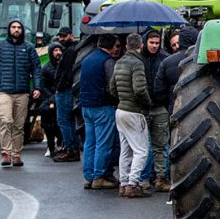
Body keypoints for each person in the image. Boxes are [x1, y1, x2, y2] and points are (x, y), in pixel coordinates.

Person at [0, 19, 43, 167]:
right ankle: (6, 153)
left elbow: (36, 69)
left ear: (22, 30)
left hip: (22, 92)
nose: (16, 30)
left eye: (19, 27)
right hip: (4, 91)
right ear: (9, 30)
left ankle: (16, 154)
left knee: (19, 125)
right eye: (13, 27)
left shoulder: (29, 48)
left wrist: (37, 87)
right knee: (5, 121)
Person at [110, 34, 154, 198]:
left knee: (126, 150)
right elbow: (140, 89)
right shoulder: (137, 63)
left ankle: (123, 183)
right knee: (141, 151)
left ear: (126, 45)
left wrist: (122, 99)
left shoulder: (119, 62)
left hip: (120, 111)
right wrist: (147, 104)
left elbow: (112, 87)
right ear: (141, 45)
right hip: (134, 112)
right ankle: (132, 184)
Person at [81, 34, 121, 189]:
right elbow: (112, 86)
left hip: (86, 106)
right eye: (116, 46)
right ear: (110, 46)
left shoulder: (87, 59)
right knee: (103, 143)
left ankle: (88, 177)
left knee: (89, 143)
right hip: (103, 106)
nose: (117, 49)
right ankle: (99, 176)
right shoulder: (108, 61)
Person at [138, 30, 170, 191]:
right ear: (145, 42)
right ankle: (143, 178)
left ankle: (161, 177)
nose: (154, 46)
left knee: (160, 145)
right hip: (142, 109)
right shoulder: (138, 60)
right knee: (143, 146)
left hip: (159, 108)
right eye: (152, 43)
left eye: (157, 43)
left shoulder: (164, 59)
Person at [154, 26, 199, 115]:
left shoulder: (166, 62)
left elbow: (158, 91)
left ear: (181, 41)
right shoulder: (204, 59)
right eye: (173, 45)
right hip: (200, 105)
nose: (176, 46)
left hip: (176, 109)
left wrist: (171, 102)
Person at [52, 27, 80, 162]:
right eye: (60, 36)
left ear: (71, 35)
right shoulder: (71, 50)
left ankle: (70, 149)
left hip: (65, 90)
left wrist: (59, 87)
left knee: (64, 120)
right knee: (68, 121)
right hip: (67, 89)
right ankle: (72, 147)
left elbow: (66, 73)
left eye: (64, 36)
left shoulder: (69, 52)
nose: (61, 38)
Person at [39, 42, 64, 158]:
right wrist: (52, 98)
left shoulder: (65, 66)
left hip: (62, 98)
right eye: (55, 50)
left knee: (61, 125)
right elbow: (43, 86)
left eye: (60, 50)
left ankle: (60, 145)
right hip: (50, 101)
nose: (58, 53)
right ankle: (51, 147)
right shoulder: (46, 68)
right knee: (48, 126)